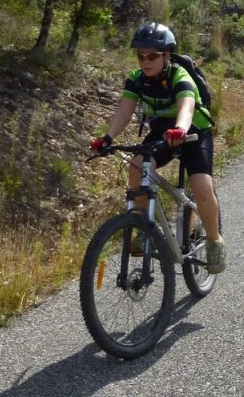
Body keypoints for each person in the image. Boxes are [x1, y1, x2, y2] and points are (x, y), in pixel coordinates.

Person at [90, 22, 225, 274]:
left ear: (166, 56)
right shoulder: (136, 79)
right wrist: (107, 137)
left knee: (202, 187)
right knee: (136, 167)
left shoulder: (179, 75)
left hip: (193, 130)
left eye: (152, 55)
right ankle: (143, 227)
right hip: (163, 131)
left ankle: (214, 240)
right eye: (141, 56)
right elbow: (124, 111)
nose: (145, 61)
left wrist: (181, 130)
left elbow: (186, 106)